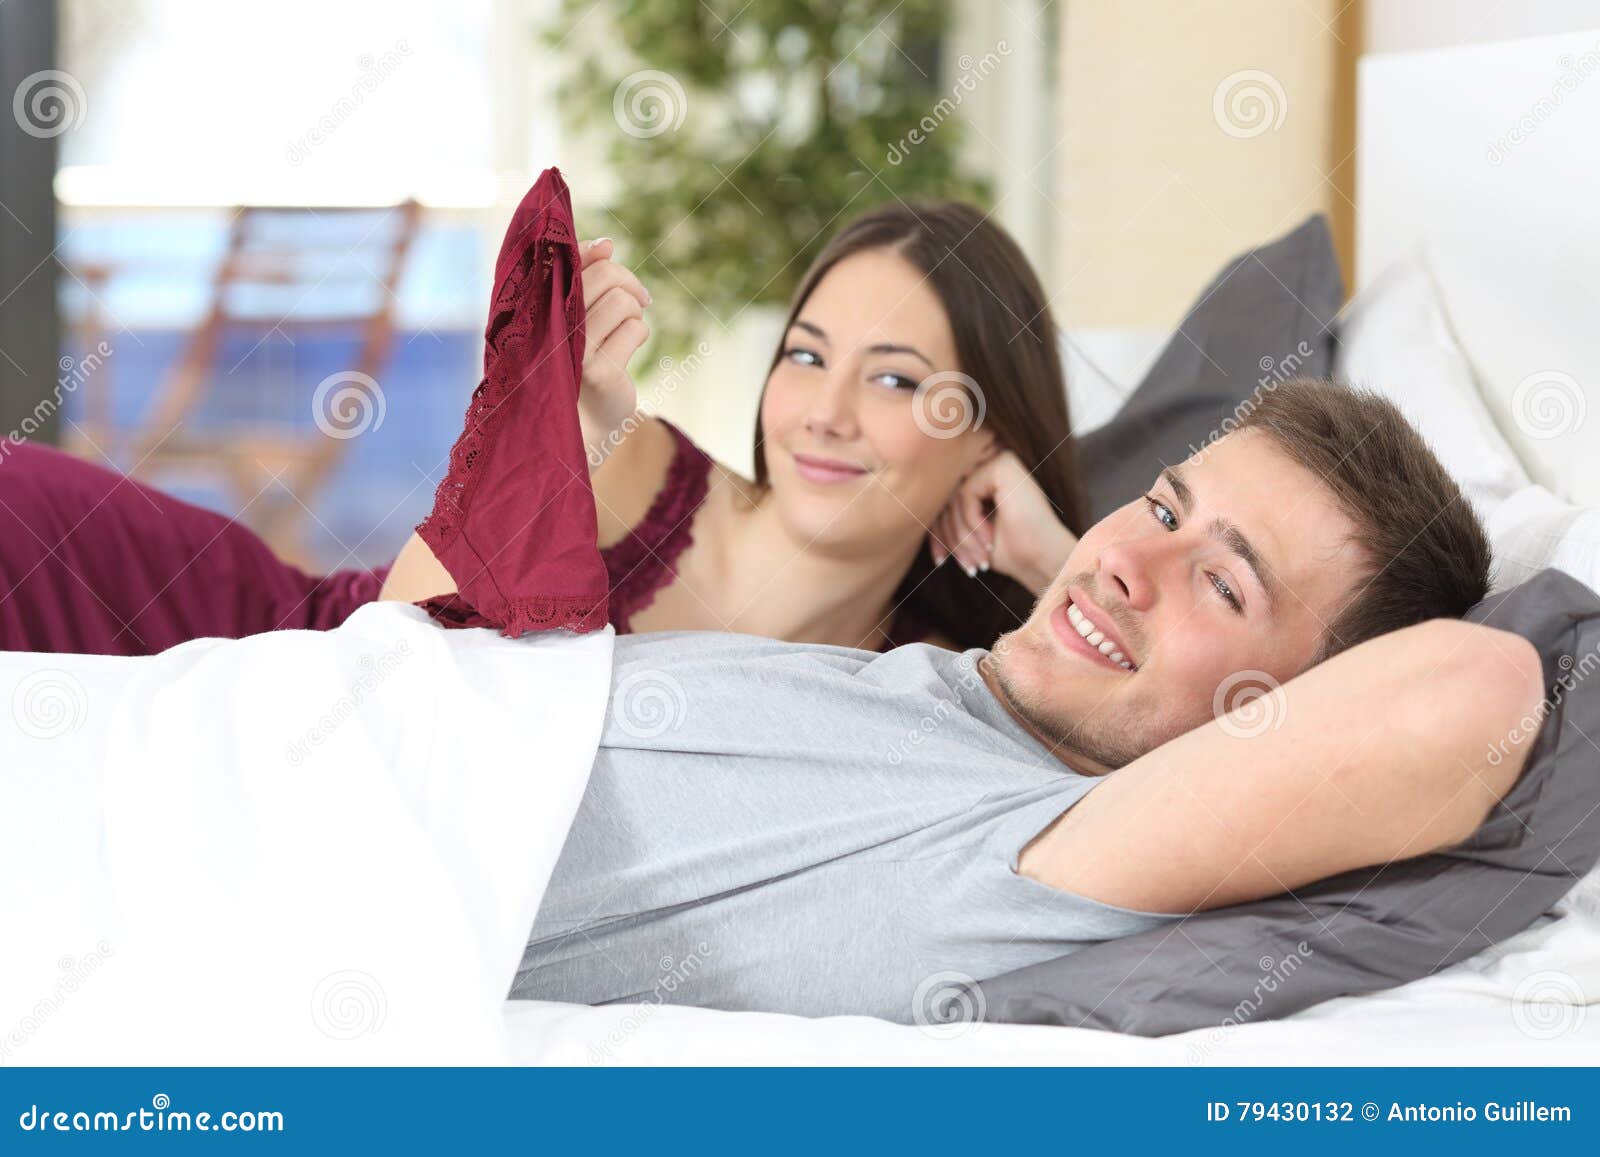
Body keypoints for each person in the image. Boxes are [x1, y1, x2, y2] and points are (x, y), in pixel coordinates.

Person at [386, 174, 1545, 1022]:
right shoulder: (931, 680)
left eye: (1223, 582)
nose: (1125, 559)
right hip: (305, 711)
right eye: (1160, 503)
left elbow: (1475, 687)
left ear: (1282, 716)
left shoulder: (1039, 846)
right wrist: (1060, 569)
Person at [0, 173, 1082, 656]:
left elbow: (1183, 751)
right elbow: (381, 655)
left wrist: (1048, 559)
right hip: (248, 640)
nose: (826, 413)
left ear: (986, 431)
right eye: (805, 355)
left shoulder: (941, 677)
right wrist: (558, 412)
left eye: (894, 379)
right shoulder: (638, 467)